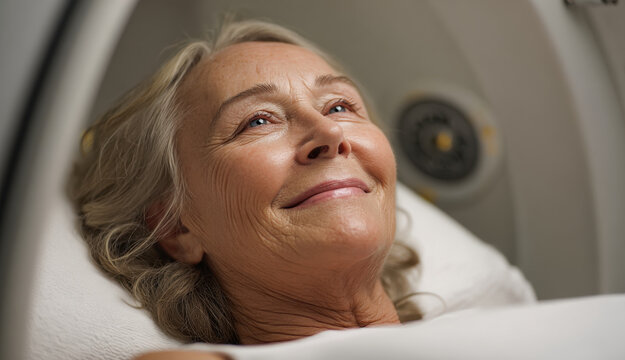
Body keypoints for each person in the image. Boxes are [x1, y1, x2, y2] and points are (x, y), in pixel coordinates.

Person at [68, 19, 420, 357]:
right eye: (258, 121)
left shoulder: (473, 323)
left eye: (339, 106)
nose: (329, 133)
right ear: (176, 228)